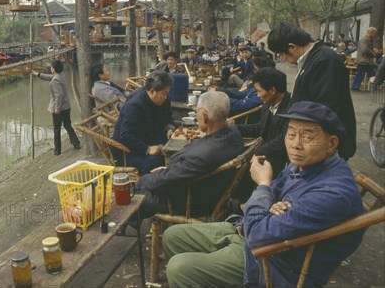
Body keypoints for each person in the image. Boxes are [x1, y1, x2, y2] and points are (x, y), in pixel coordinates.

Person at [162, 102, 364, 287]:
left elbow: (259, 234)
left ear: (331, 144)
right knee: (173, 235)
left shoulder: (333, 193)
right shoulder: (304, 164)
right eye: (291, 134)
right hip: (250, 231)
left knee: (179, 268)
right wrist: (269, 201)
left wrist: (264, 185)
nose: (296, 144)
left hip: (273, 265)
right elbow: (267, 205)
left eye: (308, 136)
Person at [133, 91, 245, 219]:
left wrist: (143, 180)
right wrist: (171, 170)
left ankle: (130, 226)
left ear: (204, 116)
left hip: (193, 202)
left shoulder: (202, 155)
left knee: (137, 193)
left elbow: (165, 181)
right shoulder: (234, 133)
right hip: (209, 189)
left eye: (197, 111)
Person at [267, 21, 356, 160]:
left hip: (324, 148)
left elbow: (324, 110)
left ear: (292, 47)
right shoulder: (313, 58)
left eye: (281, 54)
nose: (283, 59)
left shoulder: (325, 61)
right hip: (312, 143)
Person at [111, 71, 175, 175]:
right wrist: (148, 149)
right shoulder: (135, 105)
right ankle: (146, 187)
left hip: (152, 138)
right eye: (164, 93)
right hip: (129, 151)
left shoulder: (163, 99)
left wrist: (169, 128)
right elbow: (125, 135)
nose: (166, 97)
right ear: (152, 91)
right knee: (156, 160)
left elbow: (168, 118)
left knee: (175, 153)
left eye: (167, 93)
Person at [233, 67, 290, 172]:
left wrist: (255, 152)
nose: (258, 95)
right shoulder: (268, 104)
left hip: (277, 164)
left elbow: (282, 141)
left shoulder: (291, 109)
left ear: (272, 90)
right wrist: (233, 128)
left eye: (259, 91)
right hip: (264, 156)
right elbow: (260, 128)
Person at [32, 60, 80, 155]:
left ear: (53, 69)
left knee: (56, 128)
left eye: (51, 67)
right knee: (67, 125)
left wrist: (57, 108)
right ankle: (76, 143)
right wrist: (37, 74)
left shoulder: (55, 80)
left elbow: (59, 95)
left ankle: (57, 150)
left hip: (59, 109)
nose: (51, 68)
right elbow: (50, 77)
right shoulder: (60, 76)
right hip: (66, 106)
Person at [351, 27, 377, 91]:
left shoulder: (368, 39)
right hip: (364, 60)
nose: (375, 35)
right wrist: (373, 53)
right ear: (371, 32)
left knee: (370, 74)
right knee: (361, 74)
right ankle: (355, 87)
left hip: (367, 61)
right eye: (374, 33)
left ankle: (373, 87)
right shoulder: (364, 39)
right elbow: (365, 49)